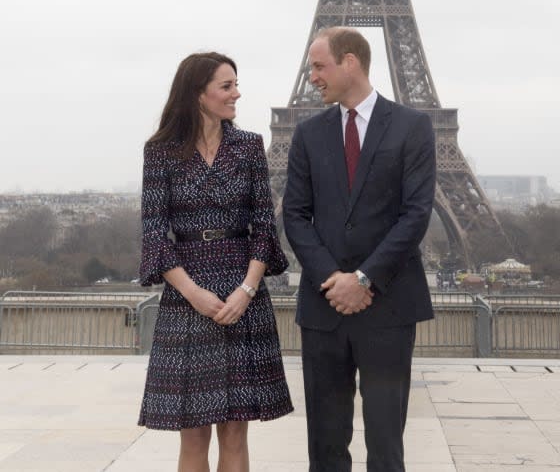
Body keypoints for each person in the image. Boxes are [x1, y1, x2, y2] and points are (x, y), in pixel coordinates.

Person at [282, 27, 436, 472]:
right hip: (325, 306)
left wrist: (364, 279)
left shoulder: (413, 126)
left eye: (318, 65)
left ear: (350, 63)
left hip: (386, 306)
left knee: (387, 446)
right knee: (325, 447)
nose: (312, 76)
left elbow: (415, 214)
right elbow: (295, 215)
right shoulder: (308, 134)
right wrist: (336, 280)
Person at [138, 52, 293, 472]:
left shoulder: (249, 147)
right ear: (198, 93)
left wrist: (246, 289)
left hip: (243, 289)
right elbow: (154, 232)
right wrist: (192, 293)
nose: (236, 93)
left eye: (235, 84)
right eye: (227, 86)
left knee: (236, 433)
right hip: (187, 292)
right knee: (192, 435)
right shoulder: (161, 152)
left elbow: (264, 226)